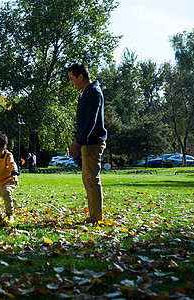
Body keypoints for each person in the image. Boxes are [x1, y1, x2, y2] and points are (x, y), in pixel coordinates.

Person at [68, 63, 107, 225]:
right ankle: (94, 215)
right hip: (87, 143)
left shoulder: (93, 93)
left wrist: (80, 141)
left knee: (91, 179)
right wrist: (77, 139)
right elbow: (84, 122)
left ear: (81, 77)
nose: (71, 82)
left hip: (93, 143)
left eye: (72, 79)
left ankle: (96, 218)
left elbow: (91, 121)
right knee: (87, 179)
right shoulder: (85, 93)